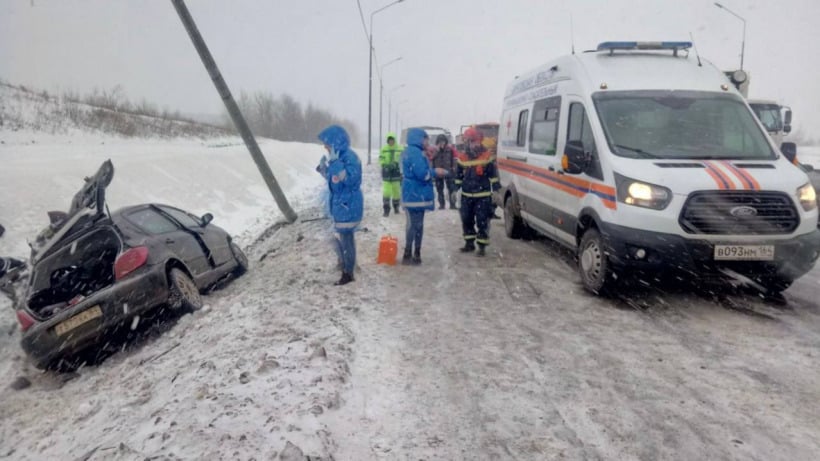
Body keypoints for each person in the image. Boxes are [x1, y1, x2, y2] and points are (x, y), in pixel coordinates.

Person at [317, 125, 363, 285]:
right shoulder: (338, 157)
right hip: (341, 204)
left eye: (327, 144)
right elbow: (335, 180)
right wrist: (324, 170)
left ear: (336, 143)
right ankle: (346, 266)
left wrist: (335, 164)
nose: (325, 147)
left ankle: (348, 273)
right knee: (345, 239)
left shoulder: (350, 157)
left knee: (347, 239)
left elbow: (350, 180)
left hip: (348, 204)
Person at [401, 128, 447, 265]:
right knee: (417, 225)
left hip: (411, 194)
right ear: (419, 139)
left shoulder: (410, 151)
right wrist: (435, 172)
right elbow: (422, 174)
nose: (427, 142)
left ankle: (409, 253)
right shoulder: (415, 153)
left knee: (411, 225)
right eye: (426, 139)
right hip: (417, 195)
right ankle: (414, 254)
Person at [455, 127, 500, 257]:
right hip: (466, 195)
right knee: (466, 220)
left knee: (482, 221)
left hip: (483, 196)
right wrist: (454, 190)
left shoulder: (487, 156)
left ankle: (481, 246)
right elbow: (458, 176)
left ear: (479, 141)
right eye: (469, 142)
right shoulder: (462, 157)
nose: (472, 144)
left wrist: (496, 190)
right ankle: (469, 244)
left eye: (474, 141)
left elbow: (493, 175)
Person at [430, 134, 458, 209]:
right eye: (440, 141)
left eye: (443, 141)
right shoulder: (434, 150)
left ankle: (453, 204)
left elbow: (454, 159)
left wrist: (453, 168)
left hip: (448, 171)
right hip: (438, 172)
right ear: (437, 142)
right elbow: (431, 158)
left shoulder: (450, 149)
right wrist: (437, 150)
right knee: (439, 190)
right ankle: (442, 205)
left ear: (446, 141)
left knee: (451, 189)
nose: (442, 143)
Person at [378, 132, 402, 217]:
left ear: (394, 140)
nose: (391, 142)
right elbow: (380, 159)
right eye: (389, 140)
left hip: (396, 173)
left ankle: (396, 207)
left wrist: (396, 164)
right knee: (386, 191)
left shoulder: (400, 149)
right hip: (387, 173)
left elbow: (402, 159)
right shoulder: (384, 149)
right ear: (387, 141)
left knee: (396, 192)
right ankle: (386, 209)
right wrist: (384, 165)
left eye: (392, 140)